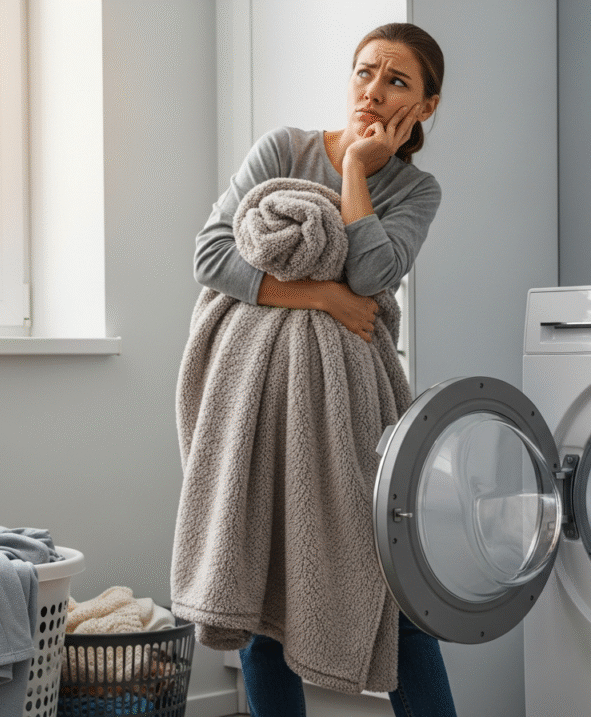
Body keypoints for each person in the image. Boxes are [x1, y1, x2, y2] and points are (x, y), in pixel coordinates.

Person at [185, 22, 456, 717]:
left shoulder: (416, 192)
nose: (373, 90)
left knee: (394, 585)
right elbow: (212, 256)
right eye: (365, 72)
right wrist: (320, 295)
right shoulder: (283, 147)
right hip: (255, 402)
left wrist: (358, 171)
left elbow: (371, 272)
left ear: (426, 106)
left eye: (397, 80)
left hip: (346, 412)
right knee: (260, 581)